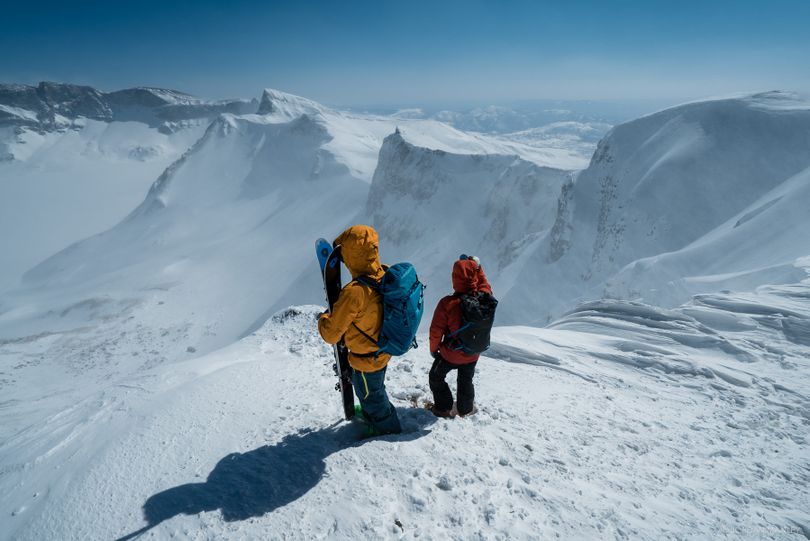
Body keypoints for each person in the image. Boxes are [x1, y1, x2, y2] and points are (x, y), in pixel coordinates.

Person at [318, 225, 402, 435]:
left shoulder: (355, 293)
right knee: (373, 389)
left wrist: (323, 318)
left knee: (371, 396)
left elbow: (331, 334)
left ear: (351, 255)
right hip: (383, 348)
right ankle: (373, 414)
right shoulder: (385, 273)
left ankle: (387, 430)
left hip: (366, 358)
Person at [428, 255, 492, 418]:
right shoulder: (484, 298)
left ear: (454, 278)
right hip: (473, 353)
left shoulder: (447, 303)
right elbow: (484, 283)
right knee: (465, 380)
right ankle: (465, 409)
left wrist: (434, 350)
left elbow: (436, 331)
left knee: (436, 377)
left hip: (450, 354)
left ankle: (443, 408)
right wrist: (477, 267)